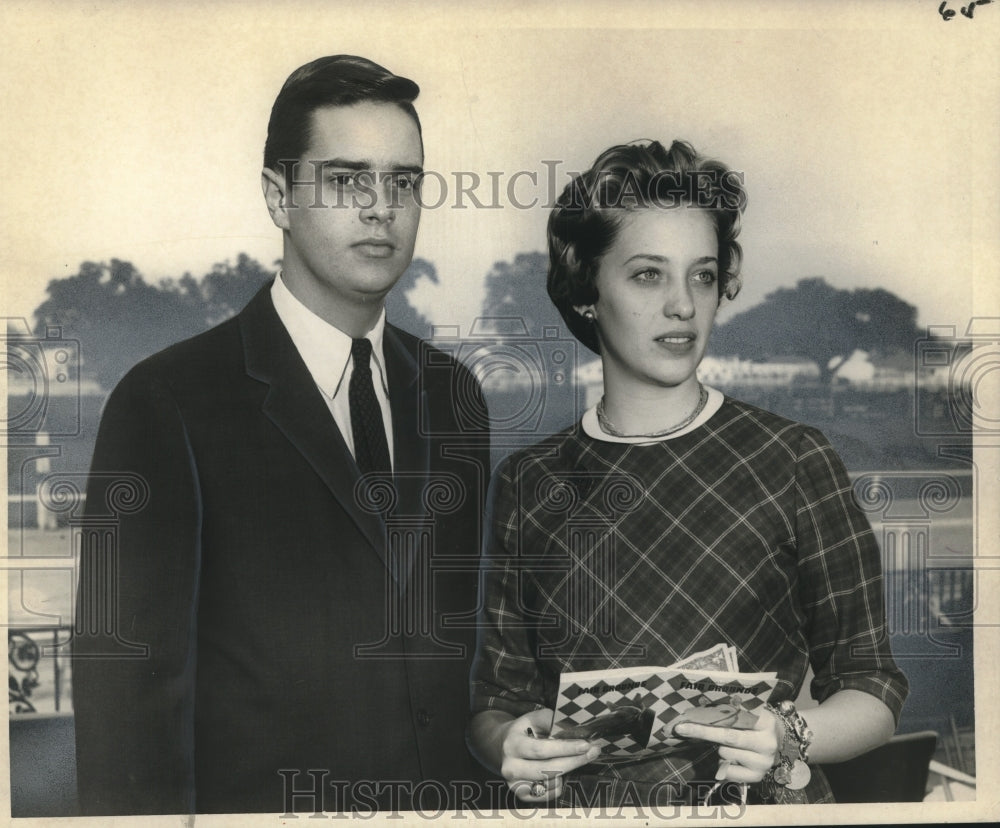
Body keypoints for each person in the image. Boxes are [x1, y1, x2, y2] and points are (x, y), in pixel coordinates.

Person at [72, 55, 494, 815]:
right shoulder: (166, 402)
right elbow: (125, 704)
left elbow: (456, 664)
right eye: (345, 179)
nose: (381, 208)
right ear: (277, 196)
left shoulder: (452, 395)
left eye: (403, 182)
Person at [468, 139, 908, 806]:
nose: (683, 305)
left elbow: (872, 688)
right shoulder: (530, 482)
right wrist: (512, 742)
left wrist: (788, 733)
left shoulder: (793, 459)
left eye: (701, 275)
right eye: (648, 274)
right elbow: (497, 703)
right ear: (587, 291)